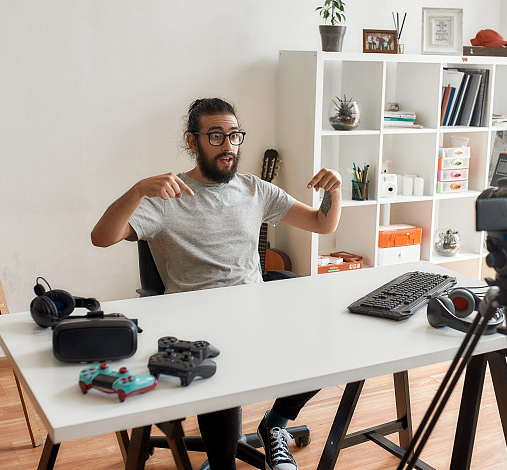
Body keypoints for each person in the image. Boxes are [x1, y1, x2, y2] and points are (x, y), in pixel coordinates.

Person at [91, 97, 342, 470]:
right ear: (193, 142)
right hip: (195, 325)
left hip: (254, 311)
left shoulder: (255, 190)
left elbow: (322, 225)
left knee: (332, 346)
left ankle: (276, 425)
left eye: (234, 135)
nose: (228, 146)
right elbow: (102, 237)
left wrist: (334, 191)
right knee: (220, 378)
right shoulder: (166, 197)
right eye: (216, 136)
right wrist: (138, 190)